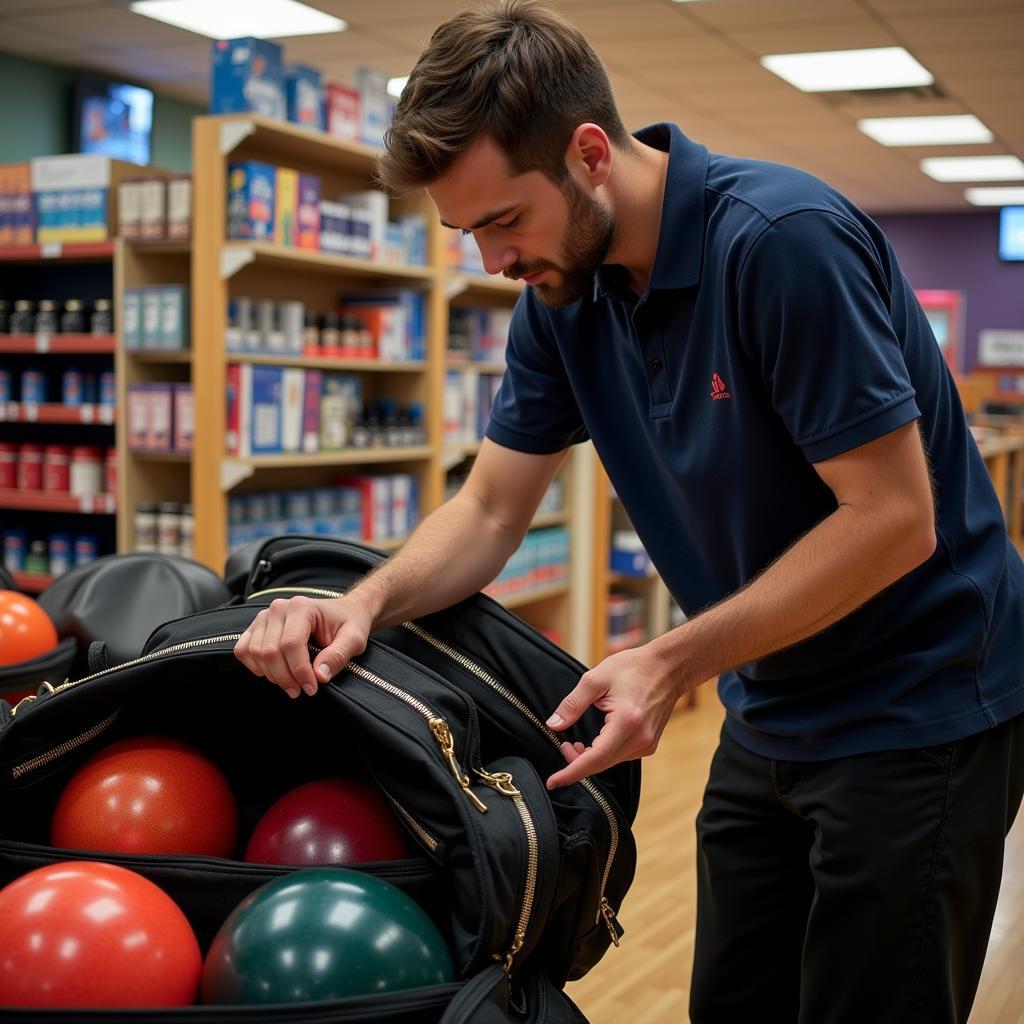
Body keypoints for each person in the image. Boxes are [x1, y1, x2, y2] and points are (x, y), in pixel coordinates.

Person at [233, 2, 1024, 1021]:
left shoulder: (780, 243)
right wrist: (365, 602)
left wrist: (671, 658)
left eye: (504, 220)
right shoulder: (561, 300)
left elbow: (890, 519)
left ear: (590, 153)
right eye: (466, 232)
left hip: (921, 705)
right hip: (770, 698)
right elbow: (487, 507)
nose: (492, 261)